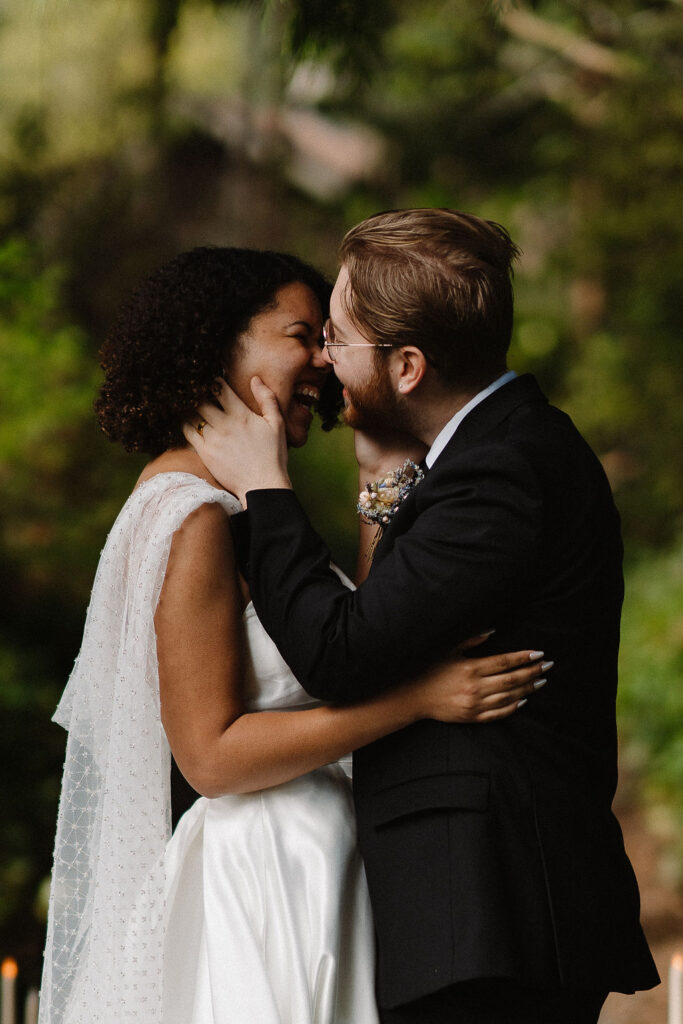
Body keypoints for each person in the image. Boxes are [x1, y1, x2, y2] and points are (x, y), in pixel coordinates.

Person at [38, 245, 547, 1024]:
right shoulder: (193, 516)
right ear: (220, 345)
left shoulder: (240, 501)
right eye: (300, 335)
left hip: (321, 856)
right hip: (269, 873)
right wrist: (418, 701)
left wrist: (375, 484)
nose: (323, 361)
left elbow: (359, 649)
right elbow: (210, 756)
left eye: (325, 339)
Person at [186, 210, 660, 1024]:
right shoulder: (488, 457)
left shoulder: (500, 476)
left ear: (406, 366)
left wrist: (267, 488)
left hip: (490, 912)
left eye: (336, 338)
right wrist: (380, 478)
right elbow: (387, 619)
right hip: (474, 912)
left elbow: (340, 652)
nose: (325, 361)